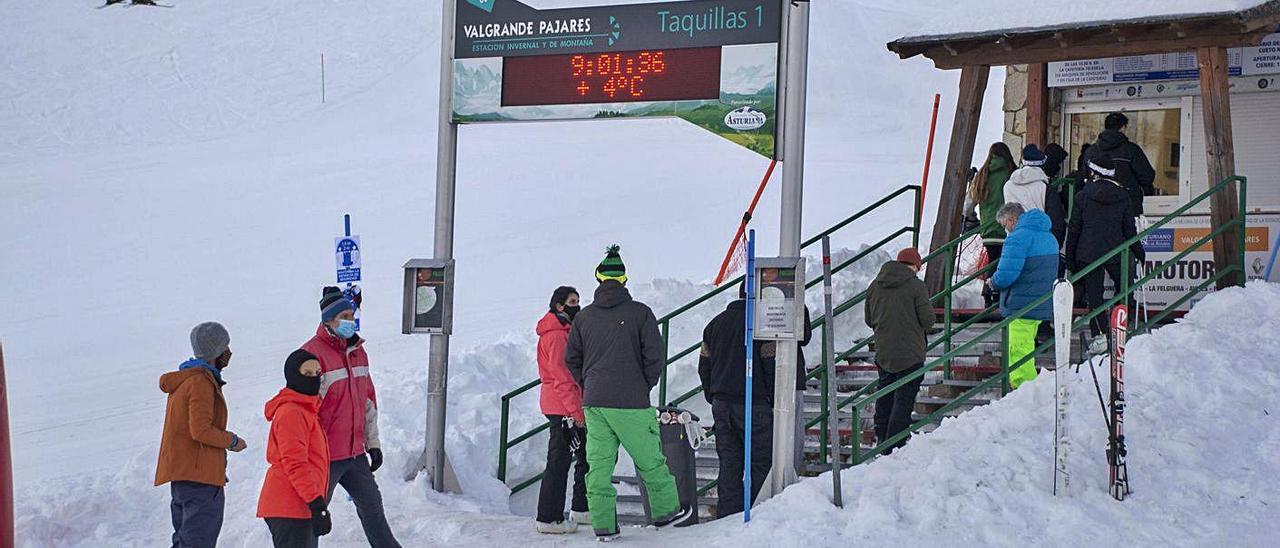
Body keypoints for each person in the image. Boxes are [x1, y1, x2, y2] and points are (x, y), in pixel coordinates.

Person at [565, 245, 693, 541]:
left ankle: (604, 525)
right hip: (631, 401)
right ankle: (666, 512)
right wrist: (641, 384)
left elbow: (571, 359)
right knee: (649, 459)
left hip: (595, 402)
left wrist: (589, 383)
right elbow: (655, 357)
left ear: (598, 279)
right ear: (623, 279)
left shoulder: (583, 318)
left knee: (598, 464)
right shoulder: (640, 313)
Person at [302, 287, 401, 547]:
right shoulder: (312, 355)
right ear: (328, 321)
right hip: (326, 456)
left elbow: (367, 402)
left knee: (373, 509)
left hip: (355, 454)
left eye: (351, 315)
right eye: (343, 316)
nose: (350, 320)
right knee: (312, 515)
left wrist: (373, 444)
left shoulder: (357, 350)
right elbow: (305, 411)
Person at [155, 321, 247, 548]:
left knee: (185, 540)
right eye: (226, 347)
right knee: (198, 541)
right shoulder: (200, 382)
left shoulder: (186, 380)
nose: (229, 353)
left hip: (185, 476)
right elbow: (200, 430)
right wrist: (232, 441)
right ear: (216, 351)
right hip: (198, 479)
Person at [697, 283, 775, 517]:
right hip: (755, 403)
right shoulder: (761, 325)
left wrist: (713, 395)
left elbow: (704, 366)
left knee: (729, 462)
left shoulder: (715, 324)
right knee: (760, 462)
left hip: (722, 404)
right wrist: (772, 398)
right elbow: (770, 365)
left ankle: (727, 515)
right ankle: (759, 512)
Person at [1066, 156, 1144, 353]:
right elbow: (1129, 229)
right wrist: (1138, 251)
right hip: (1117, 250)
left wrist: (1070, 258)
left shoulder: (1083, 195)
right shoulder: (1123, 195)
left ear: (1094, 173)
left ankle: (1100, 336)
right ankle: (1120, 329)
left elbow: (1074, 229)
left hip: (1089, 252)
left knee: (1095, 296)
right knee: (1124, 290)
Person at [257, 350, 331, 548]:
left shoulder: (306, 409)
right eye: (307, 374)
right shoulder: (292, 412)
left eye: (317, 373)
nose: (314, 379)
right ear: (293, 377)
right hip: (288, 506)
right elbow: (295, 463)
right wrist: (316, 502)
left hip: (297, 504)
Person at [864, 248, 935, 452]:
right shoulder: (916, 286)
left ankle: (881, 439)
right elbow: (928, 321)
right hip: (911, 353)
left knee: (885, 396)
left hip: (884, 352)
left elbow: (869, 319)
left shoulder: (874, 286)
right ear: (914, 266)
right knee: (903, 400)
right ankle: (894, 447)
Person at [534, 286, 590, 534]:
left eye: (578, 301)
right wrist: (575, 412)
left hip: (563, 403)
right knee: (559, 460)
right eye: (572, 301)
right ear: (559, 305)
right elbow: (563, 377)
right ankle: (549, 517)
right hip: (562, 406)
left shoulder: (563, 332)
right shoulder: (556, 336)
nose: (576, 305)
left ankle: (581, 507)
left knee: (583, 456)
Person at [991, 203, 1059, 389]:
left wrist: (992, 283)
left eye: (1005, 225)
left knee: (1018, 350)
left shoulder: (1018, 238)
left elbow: (1006, 275)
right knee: (1026, 347)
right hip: (1041, 301)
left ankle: (1024, 390)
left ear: (1012, 220)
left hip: (1021, 303)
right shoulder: (1049, 237)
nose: (1006, 230)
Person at [963, 142, 1016, 307]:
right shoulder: (1012, 174)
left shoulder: (982, 175)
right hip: (1008, 228)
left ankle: (988, 292)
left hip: (988, 229)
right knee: (1005, 264)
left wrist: (972, 219)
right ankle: (999, 296)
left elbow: (968, 205)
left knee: (993, 261)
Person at [1084, 112, 1156, 216]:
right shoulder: (1131, 150)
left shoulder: (1091, 151)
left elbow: (1085, 175)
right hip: (1128, 205)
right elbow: (1147, 176)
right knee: (1129, 231)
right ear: (1122, 127)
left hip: (1096, 205)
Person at [1005, 144, 1067, 246]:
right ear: (1042, 165)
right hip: (1038, 247)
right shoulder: (1045, 189)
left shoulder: (1008, 186)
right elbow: (1057, 221)